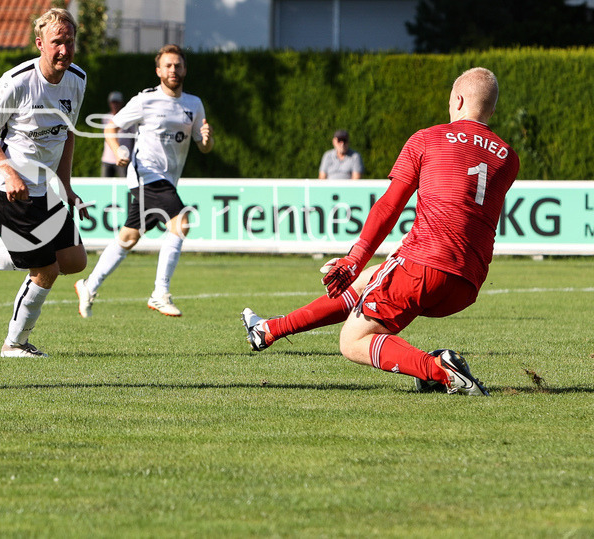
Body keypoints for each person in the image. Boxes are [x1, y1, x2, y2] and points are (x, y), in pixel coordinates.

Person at [242, 67, 519, 396]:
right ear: (492, 110)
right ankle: (269, 330)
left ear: (457, 100)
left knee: (352, 341)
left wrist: (353, 258)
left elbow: (389, 206)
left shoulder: (427, 138)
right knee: (367, 281)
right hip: (467, 283)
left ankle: (441, 371)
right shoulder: (508, 157)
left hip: (424, 267)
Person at [0, 8, 89, 357]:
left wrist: (66, 187)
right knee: (46, 269)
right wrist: (10, 172)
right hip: (6, 190)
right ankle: (14, 344)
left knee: (74, 260)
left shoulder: (78, 79)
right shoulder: (16, 82)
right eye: (56, 42)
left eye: (70, 41)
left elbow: (67, 134)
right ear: (40, 44)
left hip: (42, 188)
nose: (64, 49)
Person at [74, 44, 214, 318]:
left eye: (178, 65)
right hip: (146, 174)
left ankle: (88, 286)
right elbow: (111, 128)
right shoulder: (145, 100)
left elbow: (204, 146)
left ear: (185, 70)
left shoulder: (194, 104)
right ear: (158, 71)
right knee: (181, 223)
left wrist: (207, 140)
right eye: (168, 65)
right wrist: (117, 151)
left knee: (128, 237)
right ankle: (160, 293)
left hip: (168, 180)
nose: (173, 70)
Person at [100, 91, 132, 177]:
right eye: (113, 102)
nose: (115, 105)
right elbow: (107, 134)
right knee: (104, 183)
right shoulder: (105, 118)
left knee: (124, 182)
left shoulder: (128, 118)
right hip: (107, 158)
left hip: (124, 157)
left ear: (121, 103)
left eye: (117, 102)